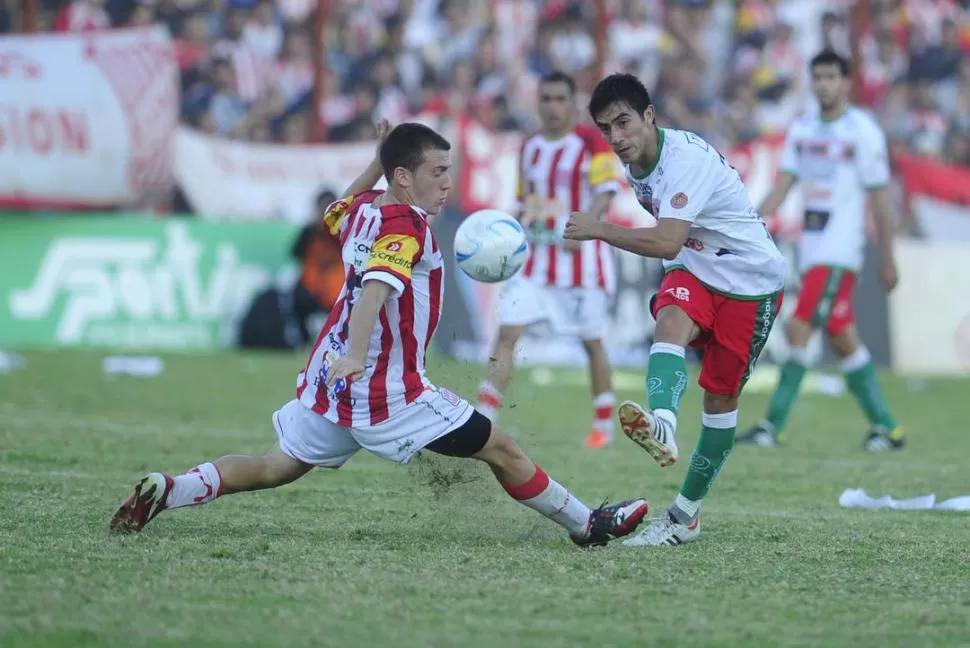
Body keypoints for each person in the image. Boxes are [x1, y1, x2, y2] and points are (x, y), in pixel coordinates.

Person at [110, 122, 649, 548]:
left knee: (275, 466)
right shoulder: (406, 226)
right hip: (386, 390)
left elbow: (333, 214)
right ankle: (588, 526)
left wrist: (374, 162)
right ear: (405, 177)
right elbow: (375, 290)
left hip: (332, 382)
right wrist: (357, 355)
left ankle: (172, 488)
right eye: (437, 171)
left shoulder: (366, 209)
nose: (447, 183)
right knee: (502, 448)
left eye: (449, 170)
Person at [564, 73, 788, 546]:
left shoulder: (683, 160)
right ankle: (662, 422)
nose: (617, 137)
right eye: (606, 129)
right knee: (668, 320)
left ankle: (685, 517)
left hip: (751, 282)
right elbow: (676, 244)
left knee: (720, 403)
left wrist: (598, 228)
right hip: (698, 267)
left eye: (623, 122)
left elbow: (666, 238)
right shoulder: (636, 166)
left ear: (649, 116)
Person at [736, 50, 904, 453]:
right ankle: (887, 427)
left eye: (832, 76)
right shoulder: (804, 128)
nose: (825, 84)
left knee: (798, 326)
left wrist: (887, 255)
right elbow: (783, 186)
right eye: (819, 77)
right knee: (843, 337)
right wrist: (749, 223)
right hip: (812, 250)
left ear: (847, 82)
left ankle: (771, 427)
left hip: (840, 251)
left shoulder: (862, 130)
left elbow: (879, 197)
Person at [476, 70, 621, 449]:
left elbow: (607, 191)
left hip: (581, 263)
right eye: (546, 99)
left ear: (573, 103)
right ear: (537, 103)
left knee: (592, 342)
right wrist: (513, 225)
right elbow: (524, 200)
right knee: (507, 331)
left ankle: (603, 424)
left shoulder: (592, 143)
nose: (553, 106)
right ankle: (484, 417)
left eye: (560, 99)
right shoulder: (530, 146)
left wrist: (584, 224)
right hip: (535, 262)